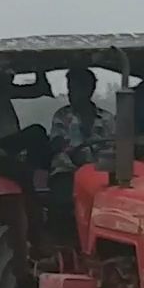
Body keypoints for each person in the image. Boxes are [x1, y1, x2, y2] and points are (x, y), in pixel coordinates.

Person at [48, 67, 115, 215]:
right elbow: (56, 143)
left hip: (100, 172)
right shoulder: (62, 115)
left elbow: (112, 147)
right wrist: (71, 152)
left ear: (89, 90)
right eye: (69, 89)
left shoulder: (107, 118)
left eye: (75, 89)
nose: (71, 93)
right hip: (67, 170)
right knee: (63, 199)